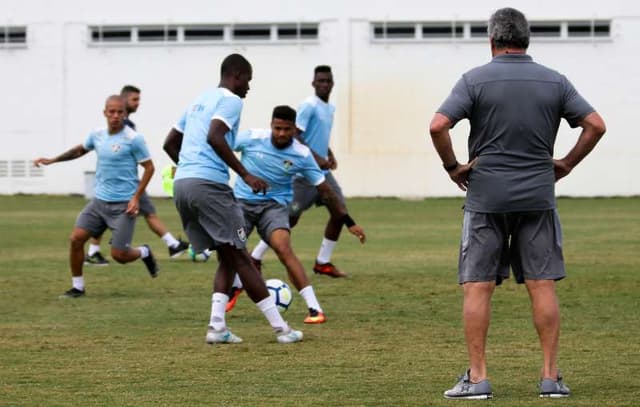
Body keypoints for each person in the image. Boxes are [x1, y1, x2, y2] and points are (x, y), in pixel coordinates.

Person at [429, 7, 606, 399]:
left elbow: (438, 124)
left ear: (491, 40)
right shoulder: (555, 81)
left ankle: (478, 379)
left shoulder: (473, 80)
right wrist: (567, 164)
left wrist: (453, 167)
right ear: (526, 41)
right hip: (538, 196)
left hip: (486, 197)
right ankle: (549, 378)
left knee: (477, 287)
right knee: (542, 286)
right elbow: (596, 124)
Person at [163, 53, 303, 344]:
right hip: (209, 187)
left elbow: (169, 143)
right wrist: (246, 174)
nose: (249, 88)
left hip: (183, 185)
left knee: (227, 256)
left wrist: (190, 166)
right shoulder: (231, 100)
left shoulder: (198, 99)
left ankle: (217, 327)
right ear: (237, 76)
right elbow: (216, 136)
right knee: (241, 256)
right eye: (248, 81)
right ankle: (282, 330)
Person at [224, 105, 366, 322]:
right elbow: (221, 148)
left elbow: (325, 190)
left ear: (294, 129)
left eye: (287, 129)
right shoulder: (252, 138)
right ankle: (232, 290)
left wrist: (348, 221)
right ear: (271, 125)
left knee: (284, 248)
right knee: (232, 250)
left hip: (274, 207)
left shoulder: (301, 154)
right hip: (243, 204)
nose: (281, 134)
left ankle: (314, 309)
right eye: (277, 128)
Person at [33, 95, 161, 298]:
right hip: (99, 203)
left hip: (123, 206)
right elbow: (79, 151)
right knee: (75, 239)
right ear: (105, 113)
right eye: (112, 111)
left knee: (119, 255)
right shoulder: (98, 135)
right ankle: (78, 287)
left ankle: (143, 252)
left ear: (125, 114)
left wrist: (136, 197)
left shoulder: (133, 139)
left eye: (120, 112)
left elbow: (149, 168)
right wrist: (52, 160)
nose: (116, 116)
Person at [250, 65, 353, 278]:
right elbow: (296, 136)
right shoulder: (308, 106)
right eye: (320, 81)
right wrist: (317, 158)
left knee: (339, 211)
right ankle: (255, 257)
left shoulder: (329, 108)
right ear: (313, 83)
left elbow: (316, 136)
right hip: (303, 175)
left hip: (322, 173)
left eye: (328, 81)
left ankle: (323, 262)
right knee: (289, 218)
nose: (324, 84)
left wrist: (329, 153)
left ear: (332, 83)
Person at [84, 85, 189, 266]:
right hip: (126, 187)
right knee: (148, 213)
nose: (138, 103)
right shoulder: (120, 127)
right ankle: (171, 244)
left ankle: (172, 244)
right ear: (124, 101)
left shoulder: (128, 127)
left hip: (126, 186)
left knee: (146, 213)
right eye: (135, 100)